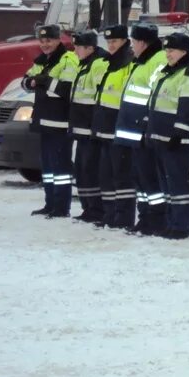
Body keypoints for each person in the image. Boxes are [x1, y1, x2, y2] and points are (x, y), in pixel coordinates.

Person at [147, 32, 189, 240]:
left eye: (171, 50)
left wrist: (179, 132)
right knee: (167, 185)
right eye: (166, 50)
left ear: (184, 51)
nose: (167, 54)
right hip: (161, 137)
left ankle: (180, 226)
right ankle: (170, 223)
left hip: (176, 140)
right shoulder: (167, 72)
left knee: (178, 184)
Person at [114, 22, 168, 235]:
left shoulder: (157, 62)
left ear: (143, 42)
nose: (132, 46)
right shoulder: (142, 61)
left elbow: (157, 96)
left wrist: (146, 122)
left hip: (143, 130)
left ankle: (156, 220)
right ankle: (145, 217)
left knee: (150, 179)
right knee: (140, 179)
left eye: (134, 41)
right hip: (133, 131)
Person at [21, 24, 79, 218]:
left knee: (60, 169)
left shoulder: (67, 59)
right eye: (42, 41)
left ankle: (62, 208)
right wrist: (34, 82)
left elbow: (66, 90)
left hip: (60, 123)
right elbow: (26, 81)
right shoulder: (42, 61)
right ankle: (50, 204)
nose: (45, 44)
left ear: (58, 40)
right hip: (44, 122)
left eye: (49, 40)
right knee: (47, 168)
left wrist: (44, 81)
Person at [92, 25, 135, 229]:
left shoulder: (128, 65)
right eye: (108, 42)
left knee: (122, 176)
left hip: (119, 128)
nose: (111, 46)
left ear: (124, 42)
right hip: (104, 128)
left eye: (115, 42)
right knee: (105, 175)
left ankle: (123, 217)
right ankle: (109, 214)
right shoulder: (109, 64)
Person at [68, 30, 109, 223]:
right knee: (82, 170)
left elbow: (101, 97)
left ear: (90, 48)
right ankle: (88, 208)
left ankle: (97, 209)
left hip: (91, 130)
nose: (74, 50)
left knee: (91, 170)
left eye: (78, 47)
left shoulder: (98, 65)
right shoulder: (84, 64)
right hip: (82, 129)